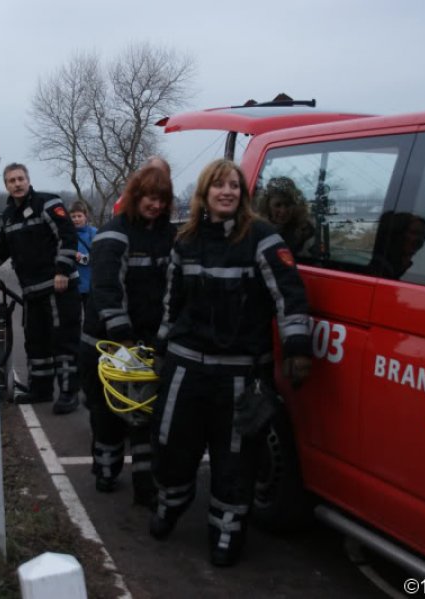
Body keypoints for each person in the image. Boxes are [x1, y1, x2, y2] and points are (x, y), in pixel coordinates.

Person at [150, 159, 313, 567]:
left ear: (243, 194)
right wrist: (161, 347)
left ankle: (226, 531)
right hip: (186, 366)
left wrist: (296, 347)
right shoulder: (185, 240)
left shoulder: (262, 237)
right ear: (203, 194)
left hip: (241, 373)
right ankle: (171, 502)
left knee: (236, 460)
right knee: (171, 443)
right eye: (219, 186)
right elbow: (172, 303)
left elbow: (289, 294)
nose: (227, 192)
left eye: (234, 186)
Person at [79, 166, 177, 508]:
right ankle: (106, 469)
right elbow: (106, 288)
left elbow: (173, 288)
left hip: (146, 342)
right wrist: (122, 335)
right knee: (106, 413)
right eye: (150, 197)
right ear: (136, 197)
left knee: (145, 415)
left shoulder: (168, 236)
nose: (156, 205)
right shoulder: (114, 234)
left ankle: (145, 485)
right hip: (105, 343)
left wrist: (161, 337)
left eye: (162, 199)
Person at [0, 163, 82, 415]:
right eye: (12, 180)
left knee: (63, 341)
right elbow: (1, 249)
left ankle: (69, 393)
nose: (17, 183)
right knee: (36, 342)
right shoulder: (7, 218)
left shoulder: (48, 203)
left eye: (20, 178)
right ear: (6, 185)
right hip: (32, 291)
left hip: (59, 287)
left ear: (28, 180)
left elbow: (67, 236)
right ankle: (41, 389)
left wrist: (62, 270)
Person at [256, 176, 317, 257]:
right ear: (267, 206)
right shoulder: (257, 230)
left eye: (288, 205)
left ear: (295, 205)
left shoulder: (305, 231)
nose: (283, 211)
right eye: (278, 205)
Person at [69, 201, 97, 310]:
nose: (76, 219)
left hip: (90, 283)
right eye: (73, 216)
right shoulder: (67, 235)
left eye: (79, 216)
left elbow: (100, 254)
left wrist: (86, 258)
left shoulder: (94, 233)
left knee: (91, 318)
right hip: (73, 284)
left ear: (86, 216)